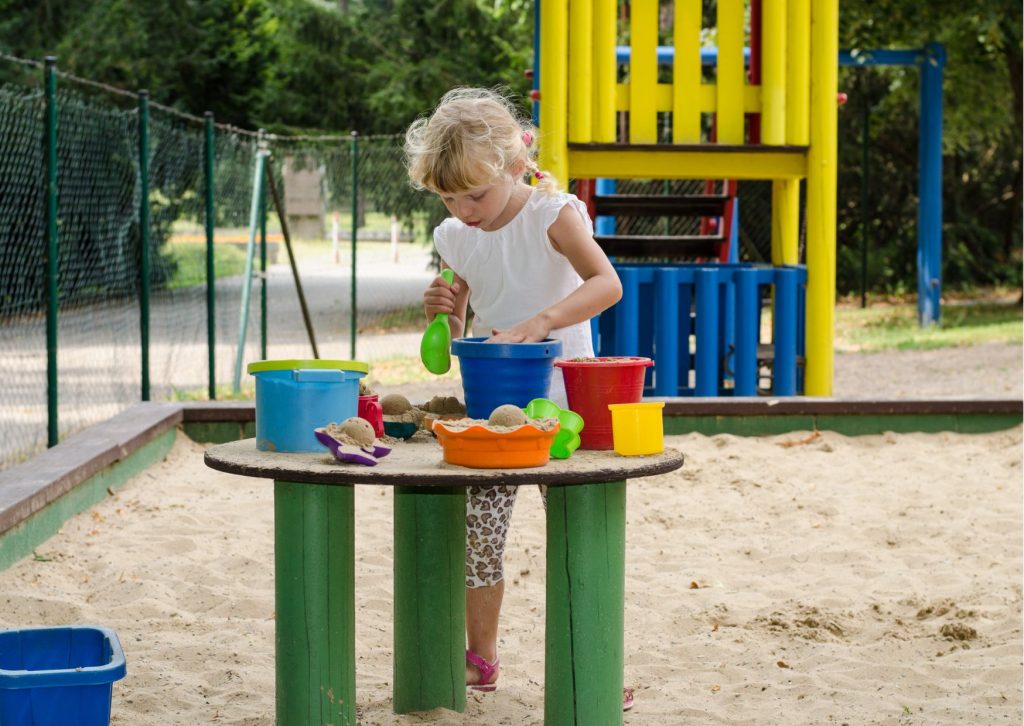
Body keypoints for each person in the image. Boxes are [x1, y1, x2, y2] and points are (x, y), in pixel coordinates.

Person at [405, 87, 634, 711]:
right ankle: (480, 658)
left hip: (567, 401)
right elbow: (457, 334)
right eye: (449, 197)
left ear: (512, 165)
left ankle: (598, 659)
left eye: (473, 194)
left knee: (578, 533)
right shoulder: (456, 236)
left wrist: (543, 322)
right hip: (494, 407)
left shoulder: (551, 215)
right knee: (480, 532)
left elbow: (607, 284)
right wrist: (444, 315)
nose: (463, 208)